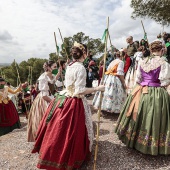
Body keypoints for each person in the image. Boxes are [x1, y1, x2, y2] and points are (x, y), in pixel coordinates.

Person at [32, 42, 105, 170]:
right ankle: (69, 158)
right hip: (74, 101)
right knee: (72, 131)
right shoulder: (81, 67)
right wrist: (97, 88)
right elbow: (79, 91)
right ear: (85, 54)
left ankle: (53, 154)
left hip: (63, 98)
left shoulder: (69, 65)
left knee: (60, 130)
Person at [115, 41, 170, 155]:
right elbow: (165, 81)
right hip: (157, 93)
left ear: (150, 50)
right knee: (155, 116)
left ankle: (134, 140)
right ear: (162, 50)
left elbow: (138, 79)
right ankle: (153, 146)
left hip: (140, 90)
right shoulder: (164, 63)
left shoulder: (142, 61)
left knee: (140, 114)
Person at [27, 60, 61, 142]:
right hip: (44, 99)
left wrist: (58, 73)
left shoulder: (51, 74)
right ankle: (43, 138)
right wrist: (53, 102)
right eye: (54, 67)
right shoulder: (43, 77)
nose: (56, 68)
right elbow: (44, 95)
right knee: (45, 118)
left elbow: (53, 81)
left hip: (51, 96)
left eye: (56, 67)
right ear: (48, 67)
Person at [93, 50, 126, 115]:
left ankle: (104, 107)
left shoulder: (112, 61)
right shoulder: (121, 62)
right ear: (122, 56)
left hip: (108, 78)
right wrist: (123, 82)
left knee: (106, 93)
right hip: (114, 79)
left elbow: (108, 69)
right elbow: (120, 73)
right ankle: (113, 109)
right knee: (115, 93)